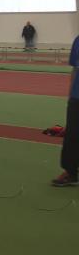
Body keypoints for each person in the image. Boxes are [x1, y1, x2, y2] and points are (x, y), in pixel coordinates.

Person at [52, 34, 79, 186]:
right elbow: (75, 69)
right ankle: (70, 172)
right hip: (77, 97)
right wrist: (70, 95)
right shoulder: (78, 40)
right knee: (72, 135)